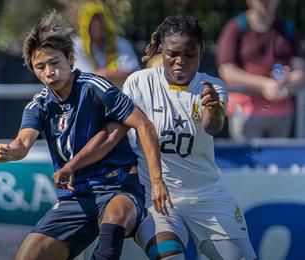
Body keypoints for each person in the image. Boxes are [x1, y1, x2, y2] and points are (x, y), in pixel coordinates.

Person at [56, 15, 257, 259]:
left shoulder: (211, 87)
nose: (180, 62)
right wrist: (73, 165)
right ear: (161, 50)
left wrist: (214, 109)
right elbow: (111, 135)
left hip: (208, 196)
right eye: (173, 54)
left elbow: (212, 126)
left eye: (189, 55)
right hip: (158, 199)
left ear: (201, 51)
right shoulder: (140, 83)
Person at [0, 11, 170, 260]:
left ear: (70, 58)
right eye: (40, 67)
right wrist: (11, 152)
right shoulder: (39, 104)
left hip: (118, 188)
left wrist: (157, 181)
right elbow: (23, 141)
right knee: (27, 256)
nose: (49, 72)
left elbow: (144, 126)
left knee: (116, 217)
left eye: (54, 63)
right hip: (75, 198)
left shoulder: (95, 87)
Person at [216, 0, 305, 140]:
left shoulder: (288, 29)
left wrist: (288, 79)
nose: (266, 3)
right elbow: (226, 70)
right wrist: (263, 84)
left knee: (277, 161)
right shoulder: (235, 28)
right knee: (246, 160)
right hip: (245, 112)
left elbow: (299, 71)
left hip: (281, 113)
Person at [73, 1, 141, 87]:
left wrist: (102, 74)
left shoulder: (121, 43)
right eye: (92, 21)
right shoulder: (78, 45)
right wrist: (114, 75)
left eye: (100, 20)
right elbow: (84, 79)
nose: (97, 25)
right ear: (85, 24)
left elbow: (134, 74)